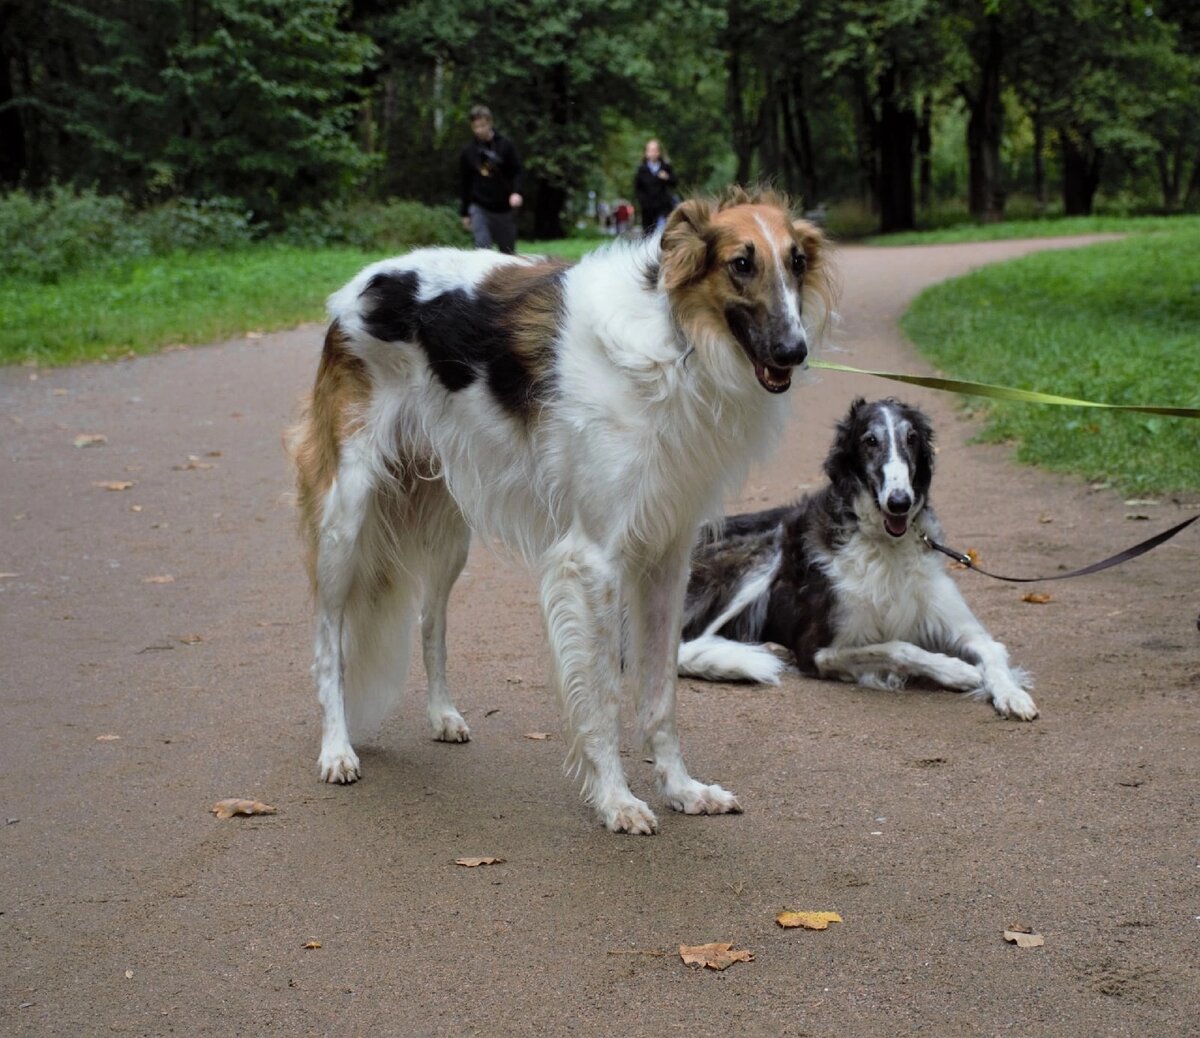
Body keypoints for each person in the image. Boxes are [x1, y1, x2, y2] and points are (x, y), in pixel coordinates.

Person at [459, 105, 524, 254]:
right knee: (482, 250)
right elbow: (465, 182)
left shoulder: (505, 145)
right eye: (475, 127)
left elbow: (518, 171)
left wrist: (516, 192)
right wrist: (465, 213)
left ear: (490, 123)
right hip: (479, 207)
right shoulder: (468, 152)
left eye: (482, 125)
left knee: (507, 253)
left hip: (503, 208)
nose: (479, 130)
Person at [633, 139, 678, 235]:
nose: (653, 153)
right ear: (646, 153)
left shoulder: (666, 167)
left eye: (655, 150)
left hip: (663, 207)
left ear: (659, 152)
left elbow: (674, 182)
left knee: (662, 231)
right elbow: (638, 189)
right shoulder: (642, 170)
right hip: (648, 208)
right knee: (648, 233)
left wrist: (667, 178)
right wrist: (643, 202)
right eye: (650, 150)